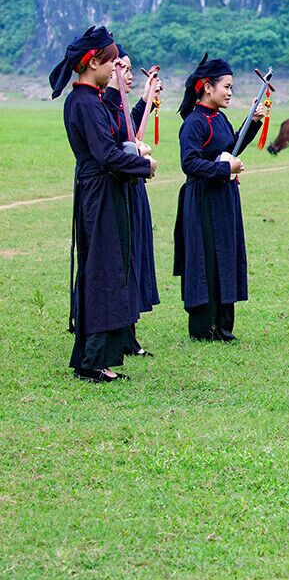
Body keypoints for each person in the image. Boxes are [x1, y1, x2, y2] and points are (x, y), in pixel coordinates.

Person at [49, 26, 157, 381]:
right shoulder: (82, 102)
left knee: (111, 268)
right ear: (93, 62)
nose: (116, 69)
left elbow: (113, 124)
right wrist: (145, 165)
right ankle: (92, 360)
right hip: (99, 193)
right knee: (101, 272)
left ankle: (100, 358)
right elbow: (107, 154)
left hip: (107, 191)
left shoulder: (92, 99)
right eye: (112, 63)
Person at [173, 54, 264, 341]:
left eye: (231, 87)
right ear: (207, 87)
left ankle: (223, 327)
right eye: (226, 86)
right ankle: (204, 328)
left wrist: (253, 121)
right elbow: (189, 163)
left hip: (224, 197)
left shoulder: (219, 118)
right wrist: (225, 168)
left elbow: (232, 146)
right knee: (206, 258)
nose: (229, 92)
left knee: (226, 255)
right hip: (201, 201)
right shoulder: (194, 123)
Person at [103, 43, 162, 355]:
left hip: (133, 188)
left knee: (135, 257)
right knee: (119, 262)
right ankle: (114, 334)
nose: (127, 74)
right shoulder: (101, 105)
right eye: (121, 68)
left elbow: (129, 126)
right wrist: (138, 157)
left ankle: (128, 334)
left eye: (128, 68)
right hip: (114, 192)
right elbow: (115, 144)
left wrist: (145, 100)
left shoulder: (117, 104)